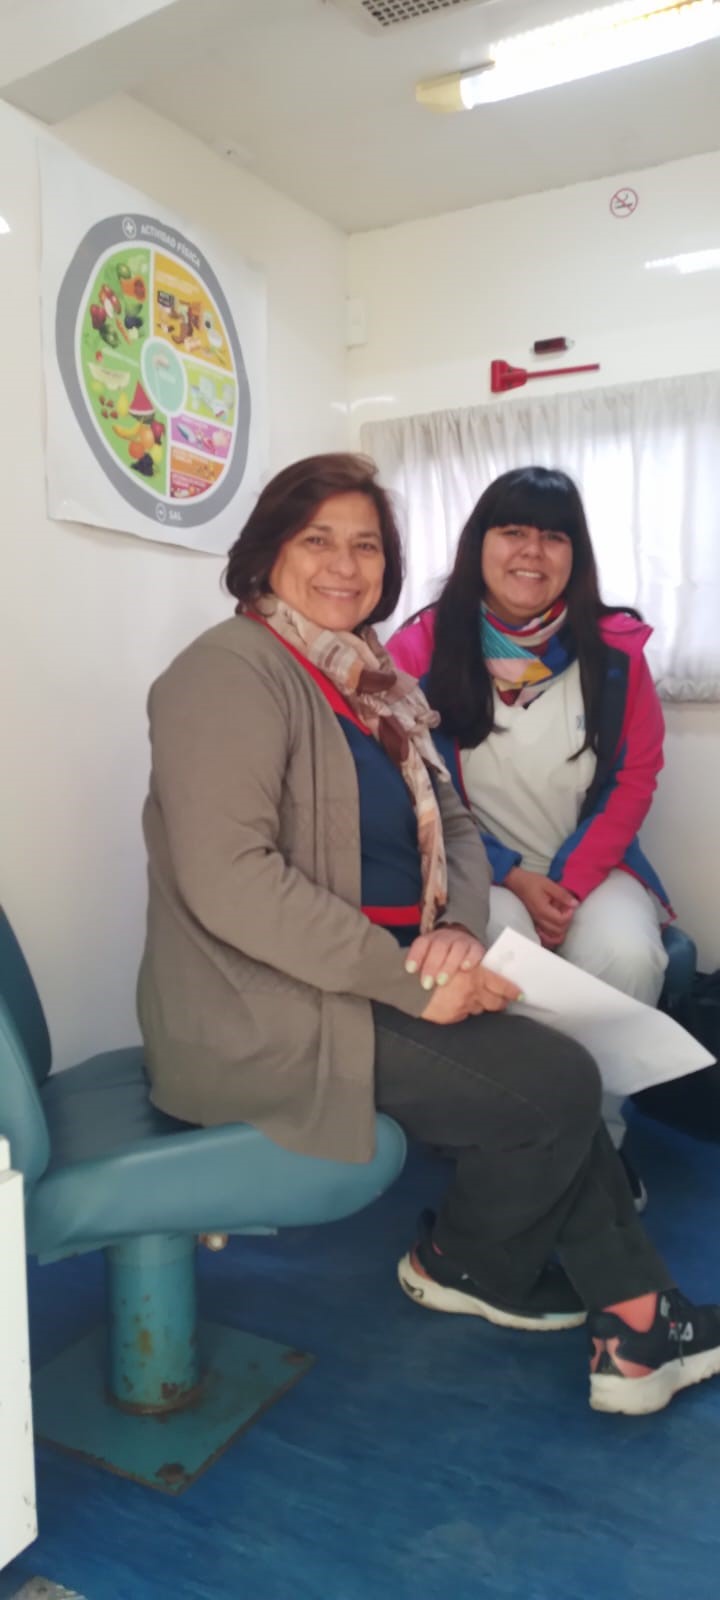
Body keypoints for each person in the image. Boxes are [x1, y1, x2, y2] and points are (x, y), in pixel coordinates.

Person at [138, 452, 720, 1417]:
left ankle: (633, 1325)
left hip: (365, 974)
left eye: (366, 545)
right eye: (317, 540)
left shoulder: (365, 678)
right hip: (264, 1009)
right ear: (266, 553)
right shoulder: (226, 673)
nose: (344, 565)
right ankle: (470, 1264)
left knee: (551, 1067)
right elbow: (230, 883)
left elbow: (451, 822)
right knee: (554, 1081)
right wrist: (414, 980)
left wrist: (453, 929)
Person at [388, 465, 674, 1201]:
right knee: (499, 952)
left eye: (554, 536)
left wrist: (569, 883)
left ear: (575, 554)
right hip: (479, 869)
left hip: (592, 866)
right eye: (512, 531)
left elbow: (635, 776)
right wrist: (511, 873)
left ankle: (598, 1143)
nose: (532, 552)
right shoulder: (421, 648)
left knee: (626, 953)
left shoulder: (615, 651)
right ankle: (517, 1137)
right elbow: (415, 783)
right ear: (478, 544)